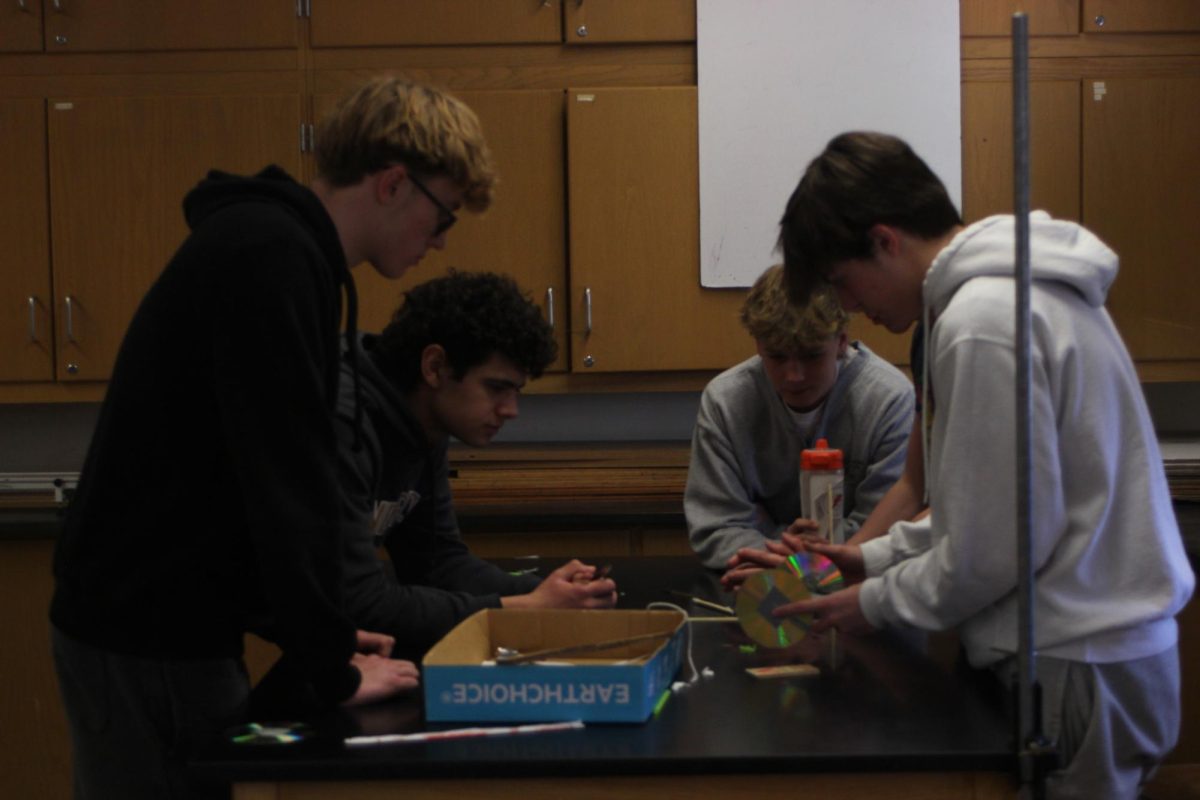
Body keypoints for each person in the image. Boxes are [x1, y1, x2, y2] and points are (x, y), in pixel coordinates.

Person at [49, 76, 495, 800]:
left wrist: (319, 637)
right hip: (143, 632)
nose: (440, 242)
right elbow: (282, 482)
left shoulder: (279, 251)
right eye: (442, 215)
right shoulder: (270, 257)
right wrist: (333, 665)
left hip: (168, 625)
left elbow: (236, 477)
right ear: (391, 184)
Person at [774, 130, 1195, 799]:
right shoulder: (1013, 296)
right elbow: (1006, 507)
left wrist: (873, 603)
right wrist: (878, 557)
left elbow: (990, 550)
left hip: (1076, 658)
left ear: (884, 240)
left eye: (841, 281)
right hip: (1099, 656)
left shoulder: (982, 321)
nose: (849, 306)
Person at [336, 270, 617, 662]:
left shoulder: (424, 419)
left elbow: (437, 563)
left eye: (516, 392)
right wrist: (523, 609)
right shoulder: (340, 422)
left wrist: (552, 593)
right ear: (435, 367)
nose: (511, 410)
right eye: (496, 388)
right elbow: (354, 601)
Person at [685, 264, 914, 572]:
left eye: (811, 355)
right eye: (777, 356)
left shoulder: (889, 400)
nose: (793, 376)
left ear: (842, 341)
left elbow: (885, 528)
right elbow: (716, 527)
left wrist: (795, 556)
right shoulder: (725, 402)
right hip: (760, 581)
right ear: (757, 345)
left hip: (856, 583)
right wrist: (791, 561)